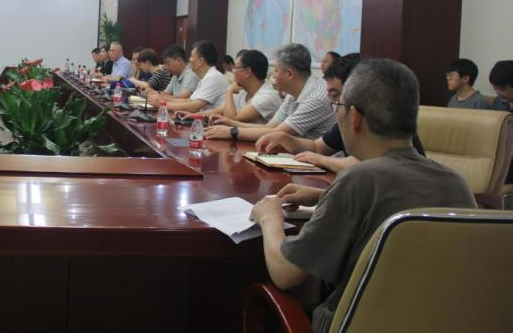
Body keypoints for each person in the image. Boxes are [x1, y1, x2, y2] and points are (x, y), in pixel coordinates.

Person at [249, 59, 476, 333]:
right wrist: (325, 196)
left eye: (338, 105)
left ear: (354, 116)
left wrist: (269, 217)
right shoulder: (457, 183)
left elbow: (285, 274)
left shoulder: (357, 180)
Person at [256, 54, 427, 172]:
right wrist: (286, 139)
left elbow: (370, 164)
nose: (334, 104)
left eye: (336, 95)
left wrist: (323, 160)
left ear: (356, 89)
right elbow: (317, 147)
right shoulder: (346, 118)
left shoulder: (386, 121)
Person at [204, 43, 335, 141]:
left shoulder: (315, 98)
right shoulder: (293, 94)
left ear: (289, 73)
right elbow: (270, 127)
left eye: (276, 70)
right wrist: (230, 124)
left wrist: (231, 131)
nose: (273, 76)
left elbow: (277, 133)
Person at [176, 49, 281, 124]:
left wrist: (230, 91)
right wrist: (195, 116)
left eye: (235, 67)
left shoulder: (267, 96)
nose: (233, 71)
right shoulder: (243, 91)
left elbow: (233, 119)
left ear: (247, 72)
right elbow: (220, 110)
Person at [158, 40, 229, 112]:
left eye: (191, 56)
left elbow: (194, 106)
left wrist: (162, 104)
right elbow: (189, 101)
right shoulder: (205, 78)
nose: (189, 60)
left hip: (215, 119)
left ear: (200, 61)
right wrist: (164, 99)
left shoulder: (212, 77)